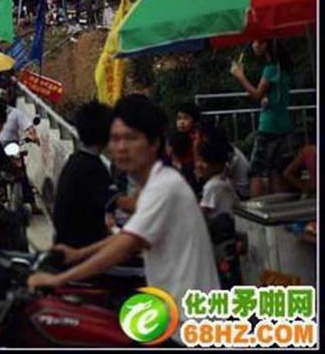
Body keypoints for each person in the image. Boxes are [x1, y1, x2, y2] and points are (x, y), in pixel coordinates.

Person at [27, 95, 220, 337]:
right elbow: (130, 234)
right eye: (115, 139)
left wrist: (59, 280)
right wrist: (79, 254)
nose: (120, 148)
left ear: (154, 144)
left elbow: (125, 244)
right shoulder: (155, 183)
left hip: (187, 325)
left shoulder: (165, 186)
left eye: (130, 138)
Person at [230, 39, 295, 198]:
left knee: (256, 171)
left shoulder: (270, 69)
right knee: (274, 169)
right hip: (283, 124)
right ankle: (281, 211)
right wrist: (264, 98)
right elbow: (270, 95)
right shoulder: (283, 69)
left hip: (269, 126)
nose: (254, 45)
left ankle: (255, 215)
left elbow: (257, 94)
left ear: (267, 46)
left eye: (258, 42)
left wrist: (240, 76)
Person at [52, 101, 115, 248]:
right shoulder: (93, 168)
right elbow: (115, 202)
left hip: (66, 244)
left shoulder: (75, 161)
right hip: (82, 249)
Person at [195, 134, 238, 219]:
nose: (198, 165)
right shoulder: (224, 180)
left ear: (217, 166)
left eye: (204, 162)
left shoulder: (212, 186)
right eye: (199, 160)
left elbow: (201, 214)